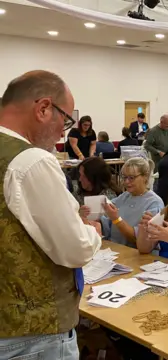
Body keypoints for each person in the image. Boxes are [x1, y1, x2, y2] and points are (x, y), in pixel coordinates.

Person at [0, 70, 101, 358]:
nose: (64, 132)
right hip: (32, 334)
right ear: (44, 108)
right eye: (66, 120)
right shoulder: (31, 161)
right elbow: (75, 247)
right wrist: (92, 232)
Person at [101, 158, 163, 247]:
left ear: (145, 177)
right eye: (124, 177)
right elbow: (105, 222)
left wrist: (116, 219)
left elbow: (138, 240)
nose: (126, 182)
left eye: (131, 178)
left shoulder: (154, 203)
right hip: (116, 251)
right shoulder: (124, 196)